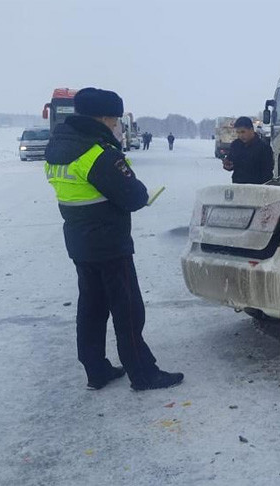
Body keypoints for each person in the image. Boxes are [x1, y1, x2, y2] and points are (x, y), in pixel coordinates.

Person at [44, 87, 184, 391]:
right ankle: (144, 374)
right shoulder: (97, 153)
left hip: (79, 241)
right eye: (115, 119)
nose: (117, 125)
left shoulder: (58, 146)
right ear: (105, 117)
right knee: (128, 309)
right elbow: (133, 196)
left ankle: (96, 370)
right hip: (109, 243)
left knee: (91, 307)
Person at [222, 116, 273, 184]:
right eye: (238, 132)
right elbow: (231, 162)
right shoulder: (235, 145)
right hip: (238, 186)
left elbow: (268, 173)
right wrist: (227, 165)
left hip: (257, 187)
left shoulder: (264, 148)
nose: (240, 135)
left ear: (251, 130)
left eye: (243, 132)